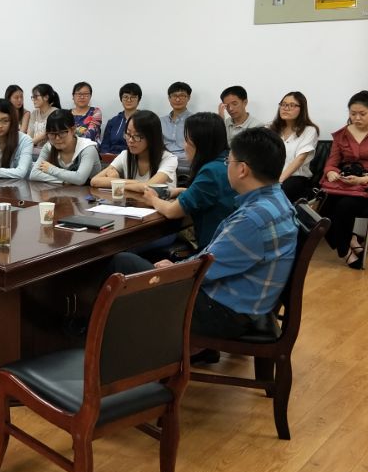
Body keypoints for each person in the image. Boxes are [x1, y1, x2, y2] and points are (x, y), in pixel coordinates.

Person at [103, 128, 298, 359]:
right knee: (152, 263)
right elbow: (215, 259)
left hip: (224, 314)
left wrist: (176, 268)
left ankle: (116, 353)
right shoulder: (278, 200)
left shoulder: (252, 220)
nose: (227, 166)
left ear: (242, 169)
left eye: (229, 161)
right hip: (250, 303)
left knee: (122, 262)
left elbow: (203, 268)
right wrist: (179, 265)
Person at [320, 90, 368, 269]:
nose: (357, 118)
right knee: (323, 208)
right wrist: (331, 173)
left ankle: (344, 251)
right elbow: (331, 162)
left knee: (344, 205)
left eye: (363, 114)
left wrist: (362, 180)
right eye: (353, 113)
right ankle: (350, 241)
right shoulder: (342, 134)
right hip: (345, 182)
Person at [142, 112, 236, 250]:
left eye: (186, 140)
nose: (184, 146)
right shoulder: (226, 162)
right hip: (228, 244)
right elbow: (213, 194)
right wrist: (183, 191)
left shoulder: (210, 172)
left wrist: (152, 199)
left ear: (199, 143)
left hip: (212, 251)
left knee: (124, 256)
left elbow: (171, 211)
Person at [90, 110, 177, 191]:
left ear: (152, 137)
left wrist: (117, 182)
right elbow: (95, 181)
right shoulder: (125, 155)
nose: (130, 140)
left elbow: (148, 187)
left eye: (137, 136)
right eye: (128, 134)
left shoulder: (169, 159)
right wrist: (135, 183)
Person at [267, 91, 319, 203]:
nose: (286, 108)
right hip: (270, 176)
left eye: (291, 105)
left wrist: (279, 180)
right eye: (283, 104)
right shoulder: (270, 128)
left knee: (279, 191)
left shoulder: (309, 130)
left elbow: (300, 159)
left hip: (295, 178)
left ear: (302, 109)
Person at [30, 109, 99, 185]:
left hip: (90, 192)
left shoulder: (87, 148)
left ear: (73, 130)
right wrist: (66, 181)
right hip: (60, 190)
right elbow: (34, 174)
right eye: (52, 134)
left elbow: (80, 179)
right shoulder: (49, 147)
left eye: (62, 133)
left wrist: (51, 169)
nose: (57, 138)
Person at [102, 83, 142, 155]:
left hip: (134, 157)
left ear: (138, 100)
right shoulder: (113, 122)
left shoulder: (145, 120)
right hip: (112, 157)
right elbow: (105, 144)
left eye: (133, 97)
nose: (129, 100)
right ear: (121, 99)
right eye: (125, 97)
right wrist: (106, 154)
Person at [161, 81, 193, 172]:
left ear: (188, 97)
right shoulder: (160, 121)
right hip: (164, 162)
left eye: (182, 96)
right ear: (169, 98)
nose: (178, 99)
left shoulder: (195, 120)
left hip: (186, 164)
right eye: (174, 96)